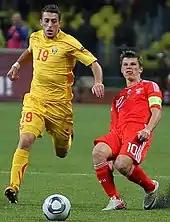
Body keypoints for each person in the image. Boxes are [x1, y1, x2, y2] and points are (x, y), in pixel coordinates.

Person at [4, 4, 104, 203]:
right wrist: (16, 65)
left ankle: (67, 139)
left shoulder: (69, 43)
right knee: (25, 139)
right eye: (46, 21)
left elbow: (94, 63)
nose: (50, 25)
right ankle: (13, 187)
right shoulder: (35, 37)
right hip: (36, 100)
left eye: (54, 21)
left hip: (60, 108)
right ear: (41, 22)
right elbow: (30, 51)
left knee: (61, 153)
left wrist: (98, 82)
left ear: (60, 23)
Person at [93, 50, 162, 211]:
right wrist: (109, 155)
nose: (129, 68)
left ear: (140, 69)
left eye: (133, 64)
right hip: (118, 133)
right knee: (99, 152)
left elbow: (157, 110)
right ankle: (115, 200)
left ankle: (150, 187)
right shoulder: (119, 97)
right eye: (126, 65)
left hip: (137, 131)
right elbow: (114, 125)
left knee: (122, 164)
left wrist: (148, 128)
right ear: (121, 70)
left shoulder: (149, 86)